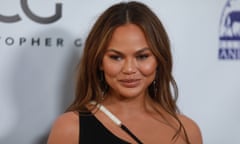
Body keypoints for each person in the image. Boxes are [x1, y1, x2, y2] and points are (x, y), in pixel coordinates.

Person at [47, 1, 203, 144]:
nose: (129, 69)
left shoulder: (187, 131)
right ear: (100, 61)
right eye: (116, 57)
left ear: (159, 59)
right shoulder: (71, 129)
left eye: (142, 56)